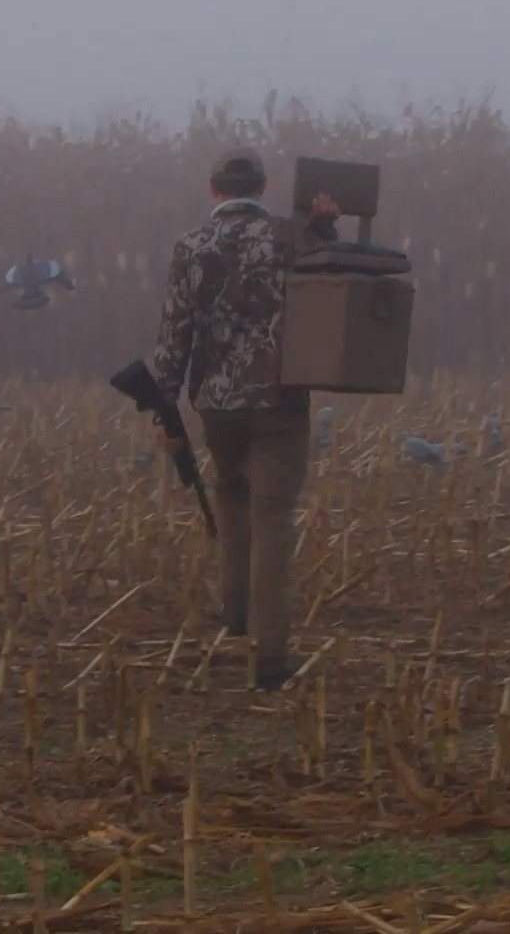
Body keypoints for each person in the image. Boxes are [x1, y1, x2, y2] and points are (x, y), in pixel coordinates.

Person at [147, 147, 340, 691]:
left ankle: (235, 620)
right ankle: (271, 657)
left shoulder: (190, 246)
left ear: (214, 190)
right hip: (279, 403)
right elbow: (336, 277)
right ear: (261, 187)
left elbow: (173, 332)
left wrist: (165, 408)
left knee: (231, 499)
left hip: (215, 404)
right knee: (272, 519)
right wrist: (324, 227)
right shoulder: (288, 237)